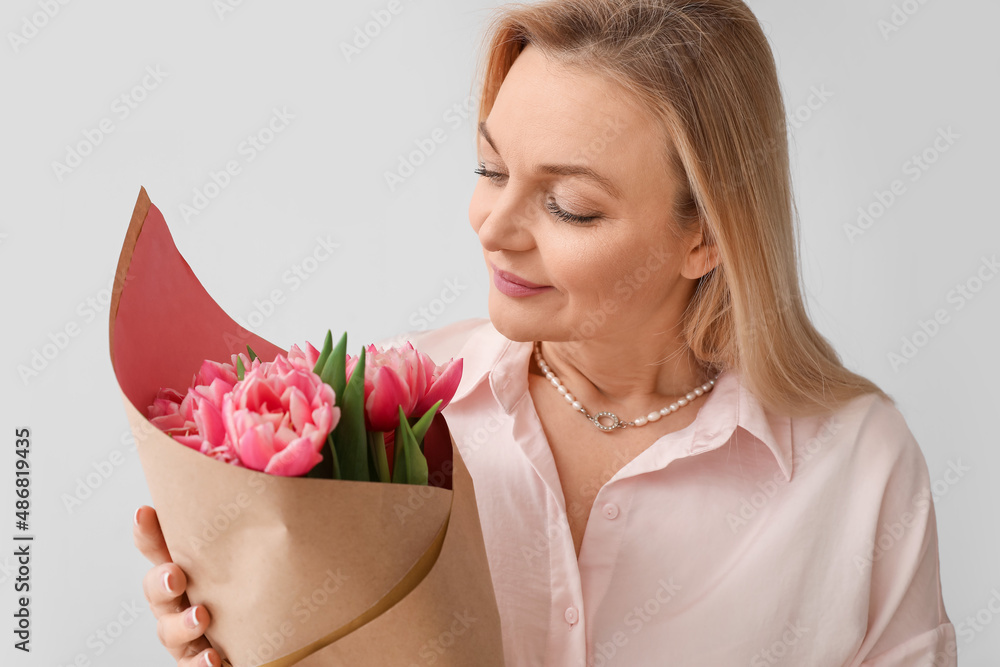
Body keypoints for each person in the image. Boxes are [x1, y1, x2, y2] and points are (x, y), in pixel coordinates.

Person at [133, 0, 957, 665]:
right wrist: (247, 634)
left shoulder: (857, 467)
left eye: (569, 205)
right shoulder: (384, 421)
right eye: (491, 169)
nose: (494, 227)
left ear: (706, 235)